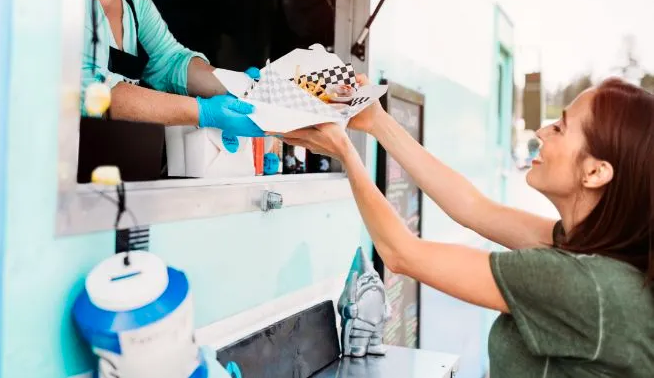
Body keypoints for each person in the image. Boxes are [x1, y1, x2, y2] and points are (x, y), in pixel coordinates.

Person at [280, 77, 654, 377]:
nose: (542, 131)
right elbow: (473, 208)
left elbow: (401, 253)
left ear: (595, 172)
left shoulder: (584, 285)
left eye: (561, 127)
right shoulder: (586, 250)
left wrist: (346, 152)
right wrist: (378, 122)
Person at [77, 0, 262, 183]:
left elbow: (170, 61)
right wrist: (203, 112)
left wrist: (243, 87)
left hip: (113, 181)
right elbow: (90, 92)